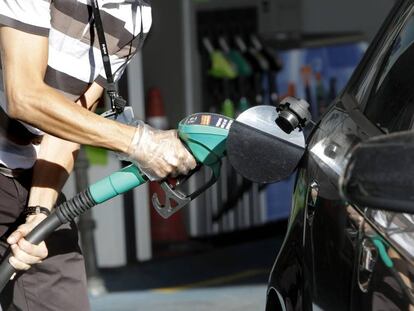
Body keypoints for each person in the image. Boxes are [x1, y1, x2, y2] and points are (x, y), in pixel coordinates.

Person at [0, 0, 196, 310]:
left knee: (61, 294)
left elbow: (65, 127)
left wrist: (37, 214)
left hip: (24, 176)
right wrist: (140, 143)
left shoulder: (135, 17)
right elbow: (24, 97)